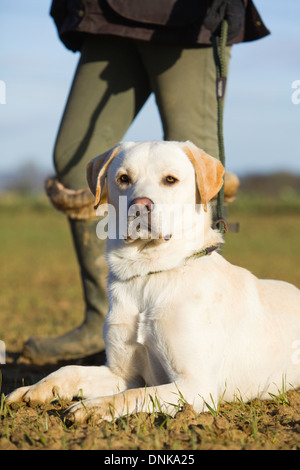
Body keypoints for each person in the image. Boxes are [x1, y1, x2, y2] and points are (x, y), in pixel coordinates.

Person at [22, 0, 269, 364]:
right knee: (77, 159)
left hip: (188, 18)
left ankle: (201, 325)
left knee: (195, 161)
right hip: (107, 17)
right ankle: (105, 319)